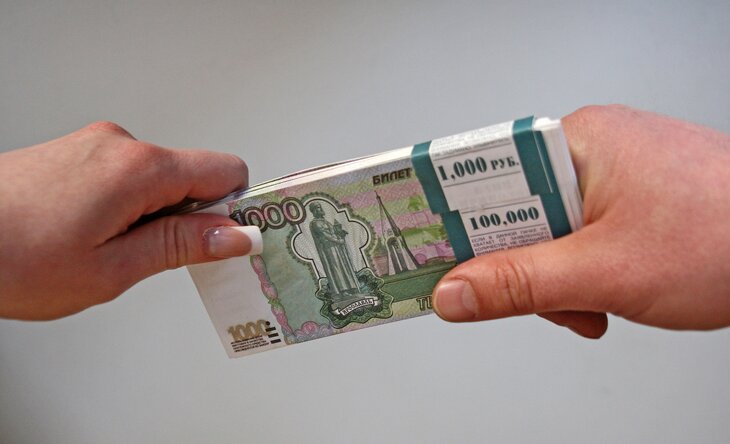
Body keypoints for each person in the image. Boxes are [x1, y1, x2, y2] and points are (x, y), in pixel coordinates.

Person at [0, 106, 728, 339]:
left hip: (343, 261)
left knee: (345, 272)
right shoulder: (318, 228)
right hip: (336, 263)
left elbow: (345, 238)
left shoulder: (329, 226)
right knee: (340, 274)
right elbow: (325, 244)